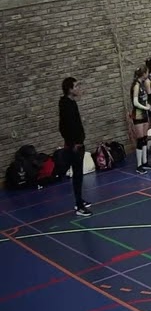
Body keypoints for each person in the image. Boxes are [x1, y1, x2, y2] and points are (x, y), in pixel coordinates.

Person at [58, 77, 91, 216]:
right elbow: (64, 127)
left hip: (79, 143)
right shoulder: (66, 105)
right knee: (77, 175)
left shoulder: (72, 103)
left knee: (79, 174)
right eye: (76, 86)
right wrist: (73, 143)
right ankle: (79, 206)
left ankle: (80, 200)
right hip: (74, 146)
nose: (79, 88)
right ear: (70, 89)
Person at [129, 67, 151, 174]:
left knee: (144, 139)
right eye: (147, 73)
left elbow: (144, 99)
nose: (148, 74)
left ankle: (145, 162)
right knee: (140, 140)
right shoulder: (136, 85)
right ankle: (139, 165)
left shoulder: (143, 85)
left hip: (144, 114)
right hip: (138, 115)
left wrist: (147, 105)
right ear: (143, 74)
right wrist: (145, 108)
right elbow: (135, 102)